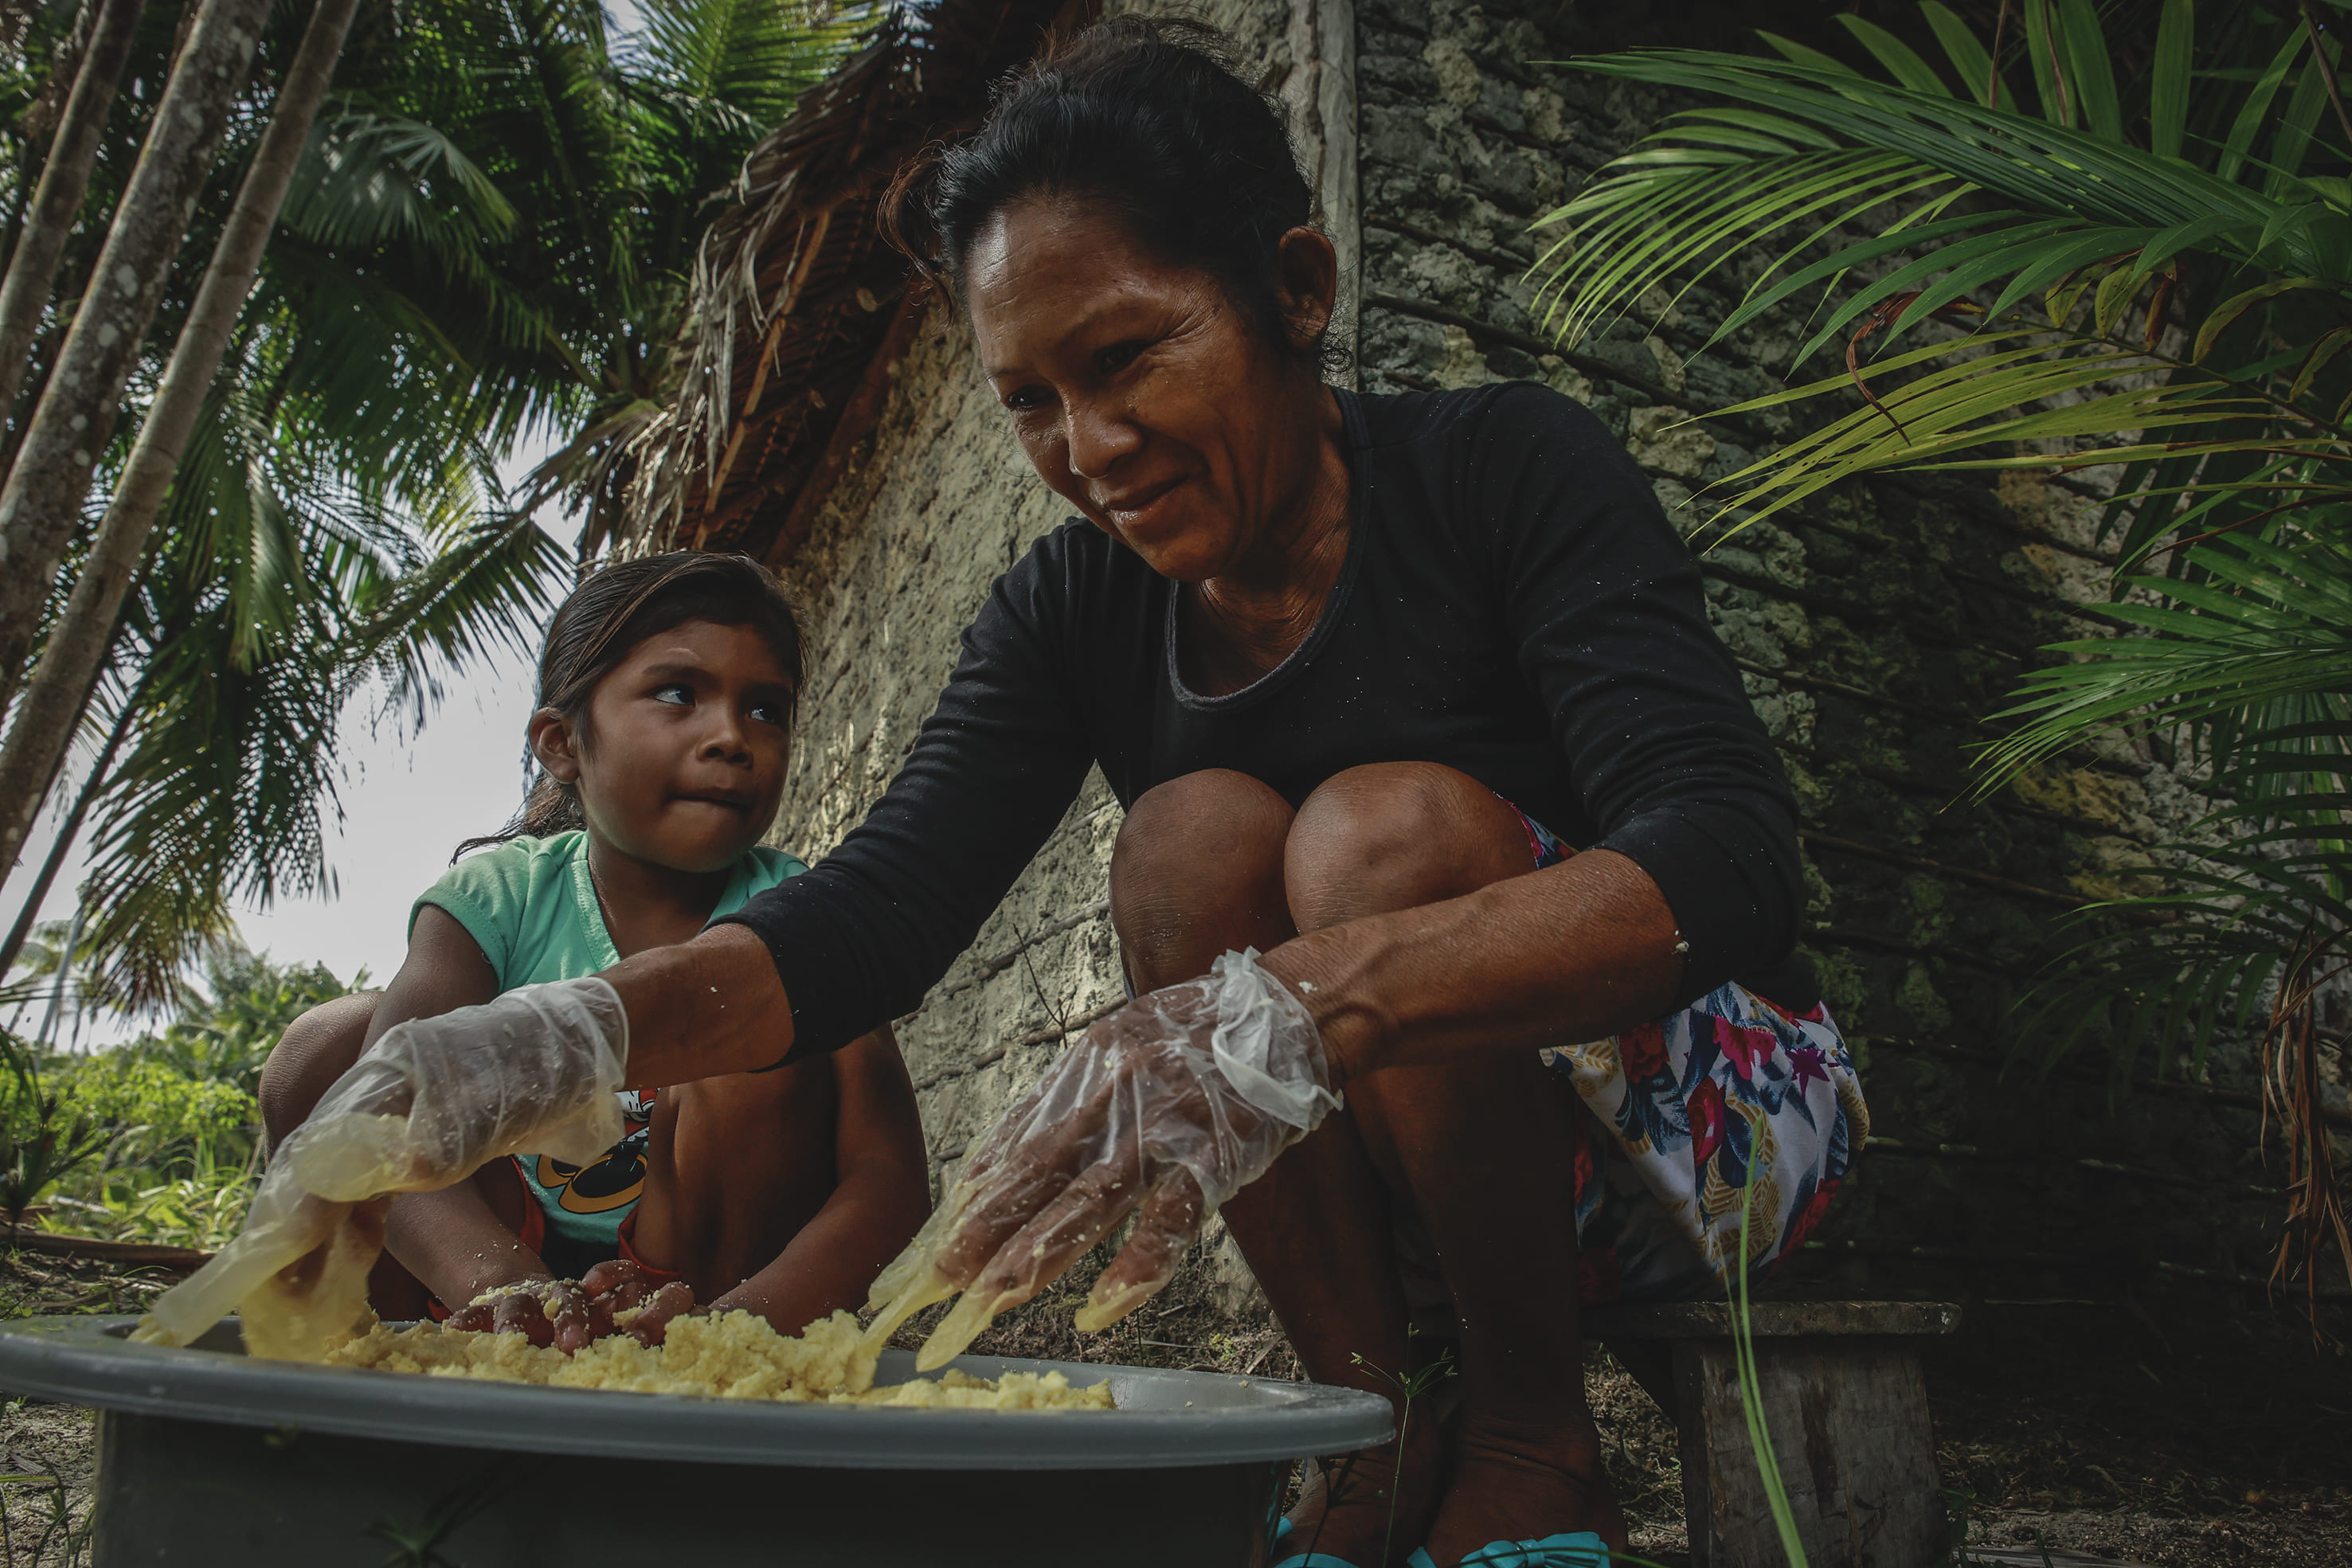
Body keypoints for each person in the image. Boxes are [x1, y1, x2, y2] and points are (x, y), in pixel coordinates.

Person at [229, 20, 1865, 1568]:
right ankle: (1373, 1420)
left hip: (1697, 1145)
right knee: (1182, 838)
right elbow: (874, 917)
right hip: (1405, 1181)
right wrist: (561, 1037)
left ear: (1295, 287)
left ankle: (1528, 1437)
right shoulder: (1070, 609)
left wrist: (1298, 1004)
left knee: (1374, 832)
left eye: (1129, 355)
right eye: (1030, 398)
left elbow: (1726, 858)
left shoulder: (1503, 469)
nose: (1091, 444)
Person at [256, 553, 929, 1348]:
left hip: (700, 1295)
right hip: (477, 1283)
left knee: (756, 1042)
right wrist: (501, 1283)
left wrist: (732, 1332)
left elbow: (886, 1179)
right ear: (562, 742)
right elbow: (376, 1133)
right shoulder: (498, 900)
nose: (730, 738)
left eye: (766, 710)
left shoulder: (808, 917)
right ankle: (355, 1359)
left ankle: (696, 1392)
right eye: (679, 694)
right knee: (330, 1054)